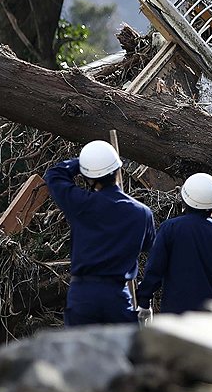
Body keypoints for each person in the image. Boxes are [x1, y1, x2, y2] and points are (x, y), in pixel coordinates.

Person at [44, 140, 155, 326]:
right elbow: (150, 249)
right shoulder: (142, 213)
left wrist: (83, 163)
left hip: (83, 295)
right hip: (118, 296)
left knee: (79, 353)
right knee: (120, 353)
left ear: (88, 177)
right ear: (117, 170)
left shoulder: (81, 205)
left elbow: (54, 175)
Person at [137, 173, 212, 315]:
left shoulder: (170, 229)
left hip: (175, 317)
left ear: (184, 199)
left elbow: (155, 269)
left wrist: (144, 299)